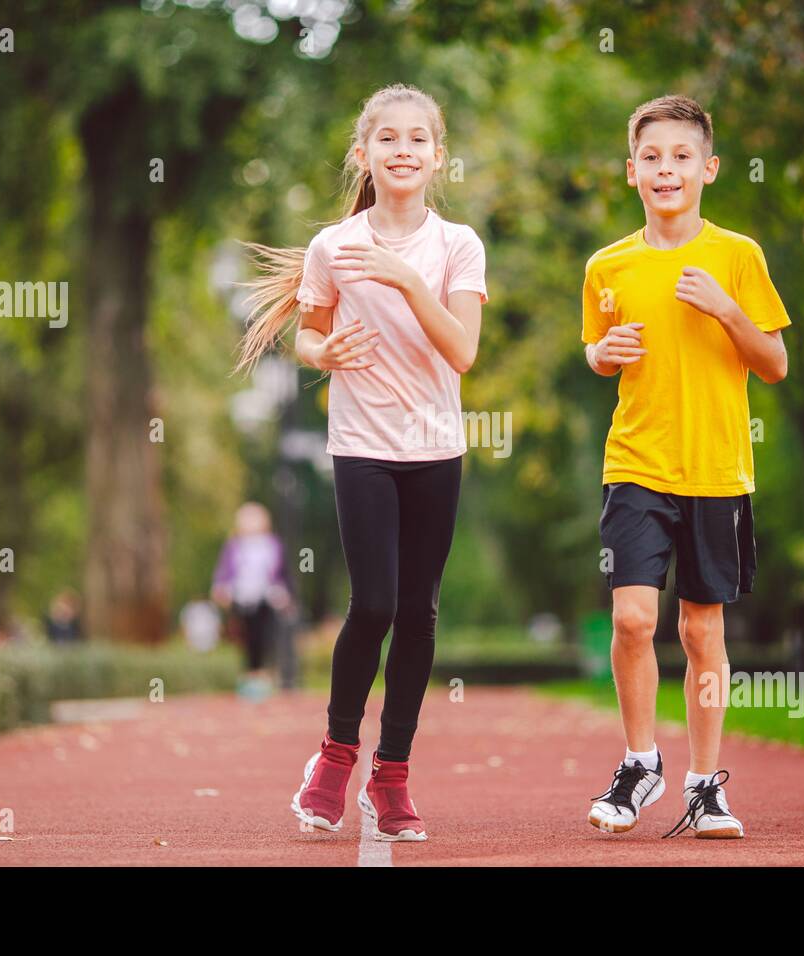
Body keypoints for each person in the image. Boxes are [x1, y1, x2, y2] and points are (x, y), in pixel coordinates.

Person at [235, 84, 486, 842]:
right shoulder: (331, 247)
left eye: (418, 139)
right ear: (363, 153)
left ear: (437, 157)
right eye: (388, 139)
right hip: (363, 449)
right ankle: (335, 759)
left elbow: (464, 351)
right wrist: (325, 350)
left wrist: (409, 279)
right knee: (373, 603)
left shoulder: (457, 245)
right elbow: (308, 336)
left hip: (436, 450)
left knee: (420, 613)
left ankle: (393, 774)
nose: (403, 150)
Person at [581, 95, 790, 839]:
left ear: (709, 168)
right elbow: (599, 350)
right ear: (630, 171)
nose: (665, 169)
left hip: (717, 470)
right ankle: (641, 763)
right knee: (634, 617)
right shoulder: (607, 264)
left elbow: (775, 364)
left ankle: (705, 785)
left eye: (680, 157)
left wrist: (729, 311)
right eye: (651, 157)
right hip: (636, 461)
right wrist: (598, 354)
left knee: (703, 631)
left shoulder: (739, 256)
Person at [210, 502, 290, 699]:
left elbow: (281, 573)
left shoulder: (273, 544)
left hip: (266, 598)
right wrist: (220, 587)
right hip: (240, 598)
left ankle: (262, 678)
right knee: (245, 638)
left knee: (264, 638)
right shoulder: (234, 545)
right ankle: (248, 678)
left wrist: (285, 594)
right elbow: (225, 570)